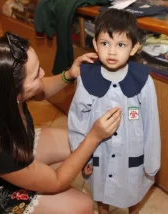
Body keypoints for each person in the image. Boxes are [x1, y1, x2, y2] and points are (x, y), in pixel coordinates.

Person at [0, 31, 122, 214]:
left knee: (75, 143)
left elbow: (38, 90)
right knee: (81, 206)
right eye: (36, 74)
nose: (43, 73)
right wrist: (94, 136)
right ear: (14, 93)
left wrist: (69, 74)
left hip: (4, 152)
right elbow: (56, 181)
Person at [68, 9, 161, 214]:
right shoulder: (86, 78)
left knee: (134, 190)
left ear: (134, 47)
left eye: (120, 45)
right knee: (101, 191)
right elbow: (77, 120)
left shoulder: (144, 81)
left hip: (132, 150)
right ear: (94, 44)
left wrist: (151, 162)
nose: (111, 52)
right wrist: (82, 157)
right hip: (99, 151)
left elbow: (151, 124)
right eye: (104, 43)